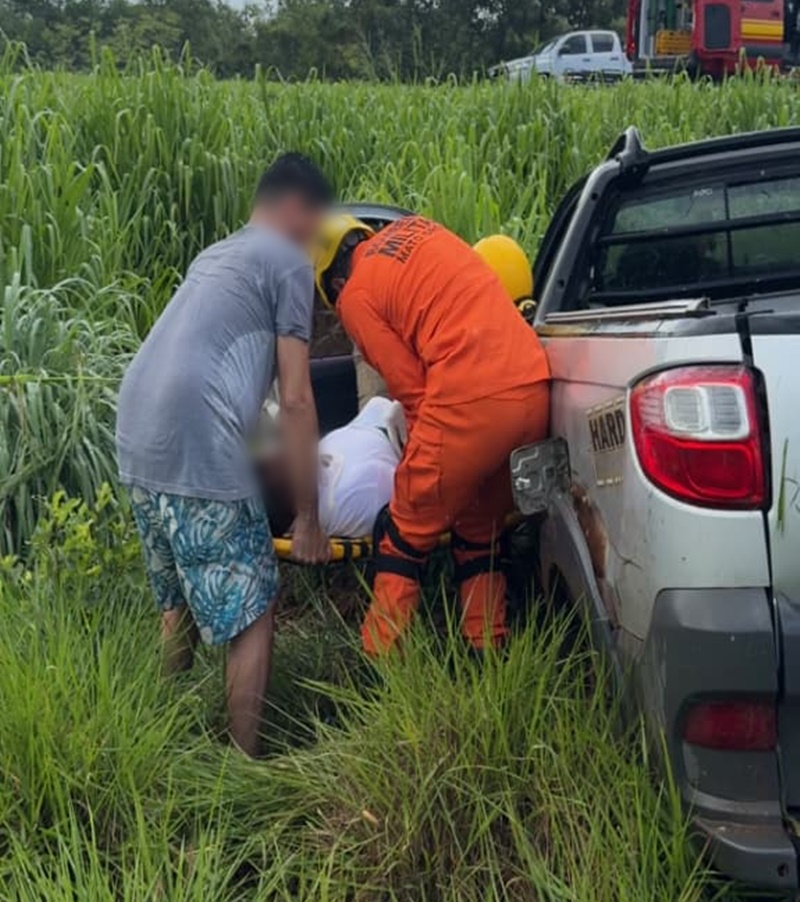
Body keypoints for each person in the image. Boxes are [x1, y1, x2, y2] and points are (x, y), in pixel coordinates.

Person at [116, 153, 334, 757]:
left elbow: (230, 377)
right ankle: (242, 767)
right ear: (295, 208)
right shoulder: (288, 260)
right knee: (255, 605)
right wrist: (309, 519)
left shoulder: (215, 255)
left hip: (137, 431)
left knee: (179, 600)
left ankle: (163, 738)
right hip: (194, 435)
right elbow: (296, 399)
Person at [314, 215, 551, 657]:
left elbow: (412, 391)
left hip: (472, 403)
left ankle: (381, 662)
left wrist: (418, 472)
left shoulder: (355, 294)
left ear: (332, 281)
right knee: (480, 529)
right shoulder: (418, 230)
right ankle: (487, 650)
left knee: (403, 532)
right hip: (534, 389)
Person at [258, 396, 407, 539]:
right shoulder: (354, 496)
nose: (271, 453)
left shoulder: (313, 473)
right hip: (403, 428)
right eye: (266, 467)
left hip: (383, 417)